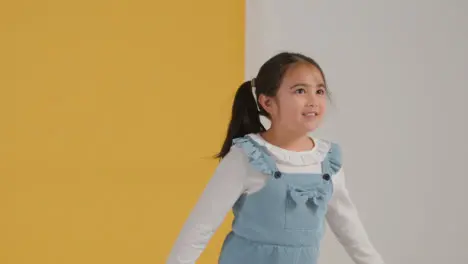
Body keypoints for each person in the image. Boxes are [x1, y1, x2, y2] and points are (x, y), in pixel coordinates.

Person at [166, 52, 385, 264]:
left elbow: (349, 229)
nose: (313, 100)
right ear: (267, 103)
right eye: (300, 91)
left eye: (319, 91)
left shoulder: (326, 162)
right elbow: (201, 227)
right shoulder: (247, 158)